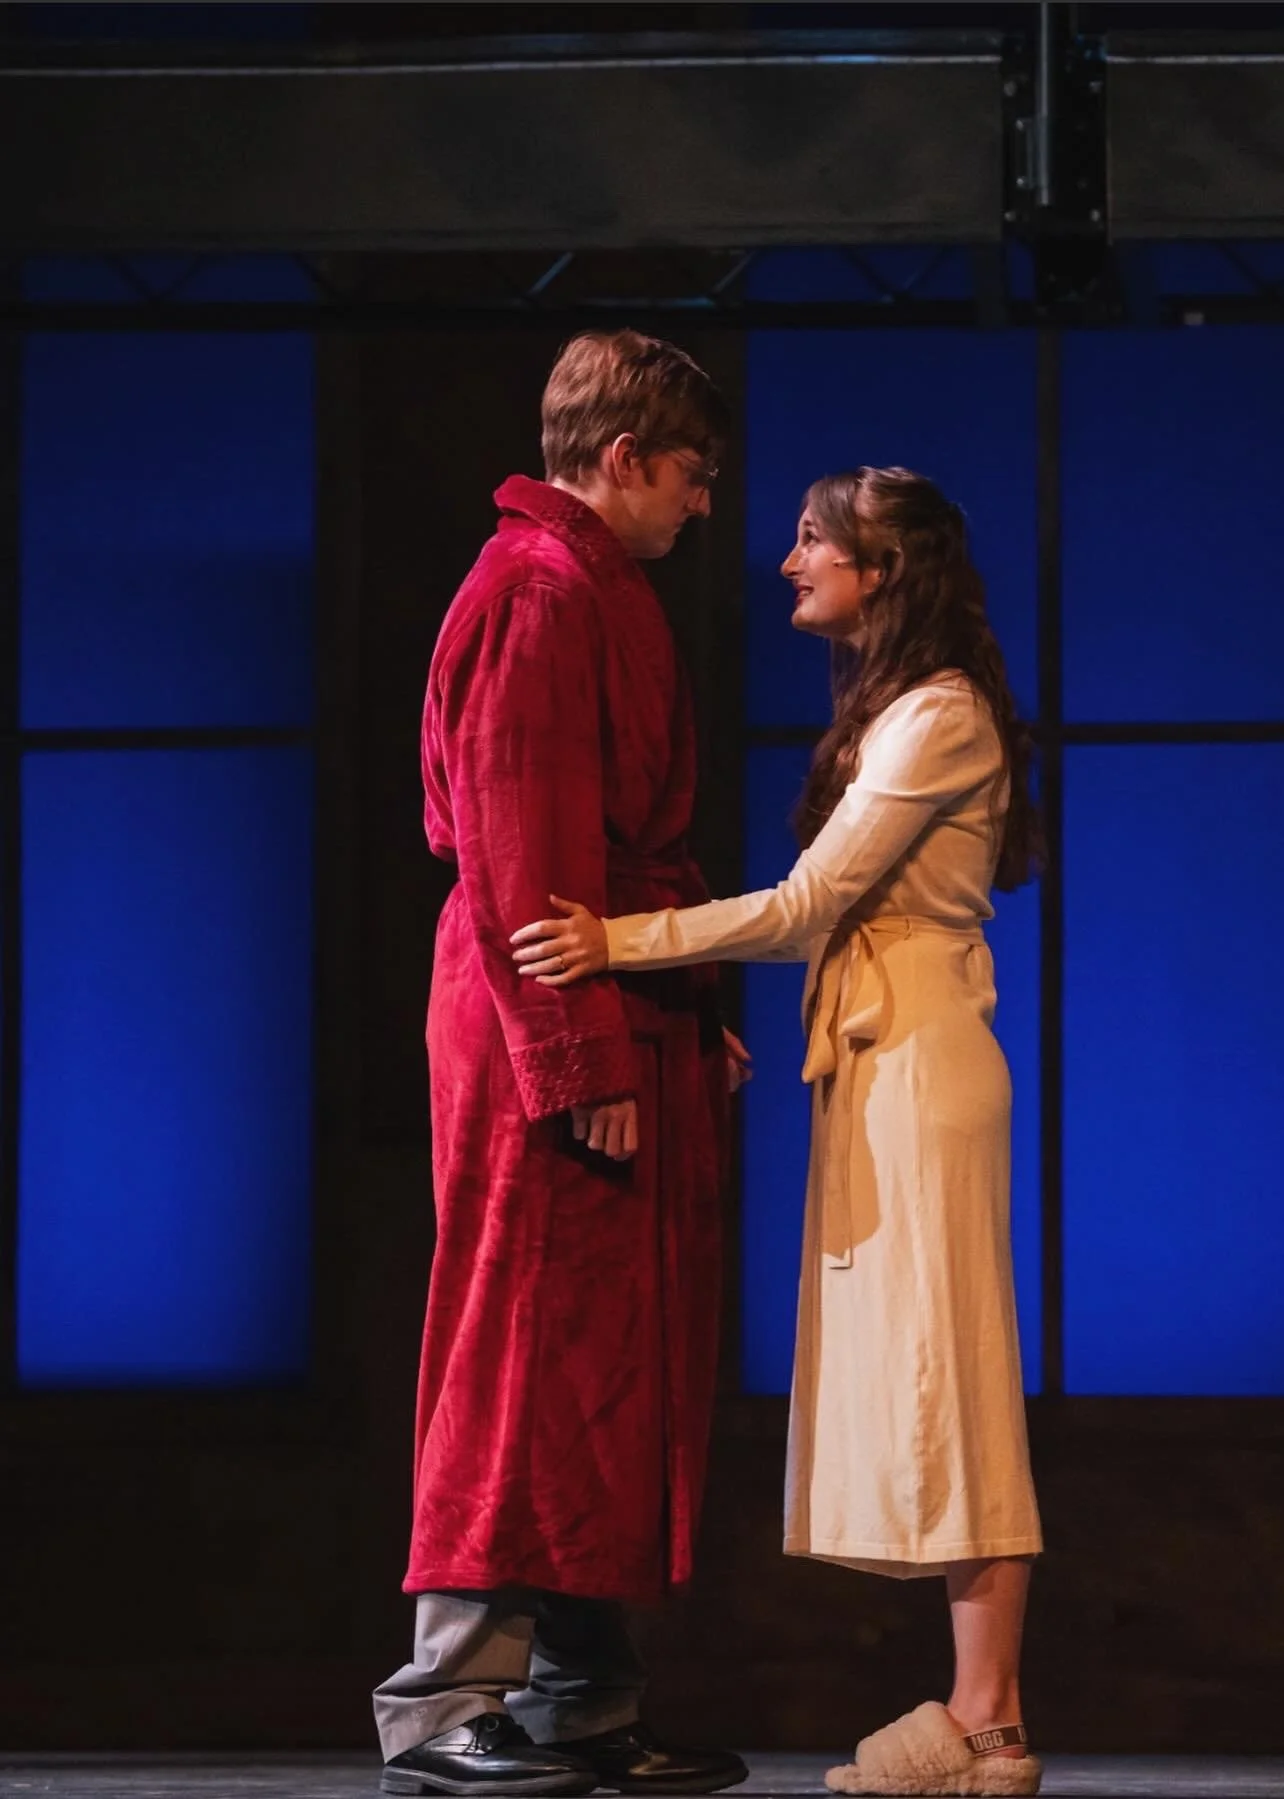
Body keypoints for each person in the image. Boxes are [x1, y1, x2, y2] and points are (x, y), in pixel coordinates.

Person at [512, 467, 1047, 1799]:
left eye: (815, 541)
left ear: (885, 568)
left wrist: (615, 942)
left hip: (920, 1069)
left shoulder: (941, 715)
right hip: (874, 1067)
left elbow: (809, 904)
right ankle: (987, 1713)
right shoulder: (901, 711)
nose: (788, 559)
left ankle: (986, 1715)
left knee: (957, 1379)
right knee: (929, 1379)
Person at [374, 331, 750, 1799]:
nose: (703, 504)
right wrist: (577, 1048)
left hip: (605, 993)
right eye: (693, 475)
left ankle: (581, 1693)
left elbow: (612, 858)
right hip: (542, 1012)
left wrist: (680, 995)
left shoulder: (597, 590)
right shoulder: (537, 592)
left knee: (602, 1353)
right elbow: (525, 845)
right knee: (521, 1336)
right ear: (622, 462)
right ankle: (444, 1698)